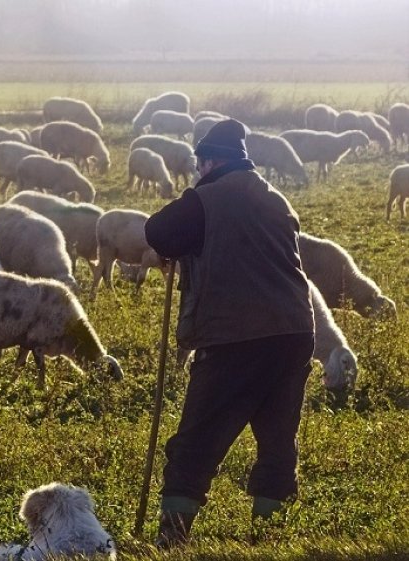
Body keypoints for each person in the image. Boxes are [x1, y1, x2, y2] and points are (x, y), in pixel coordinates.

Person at [144, 119, 315, 548]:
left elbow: (159, 231)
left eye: (199, 164)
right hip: (294, 332)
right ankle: (268, 538)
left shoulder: (208, 197)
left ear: (208, 161)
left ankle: (172, 538)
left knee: (198, 437)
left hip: (236, 335)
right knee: (277, 438)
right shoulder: (276, 199)